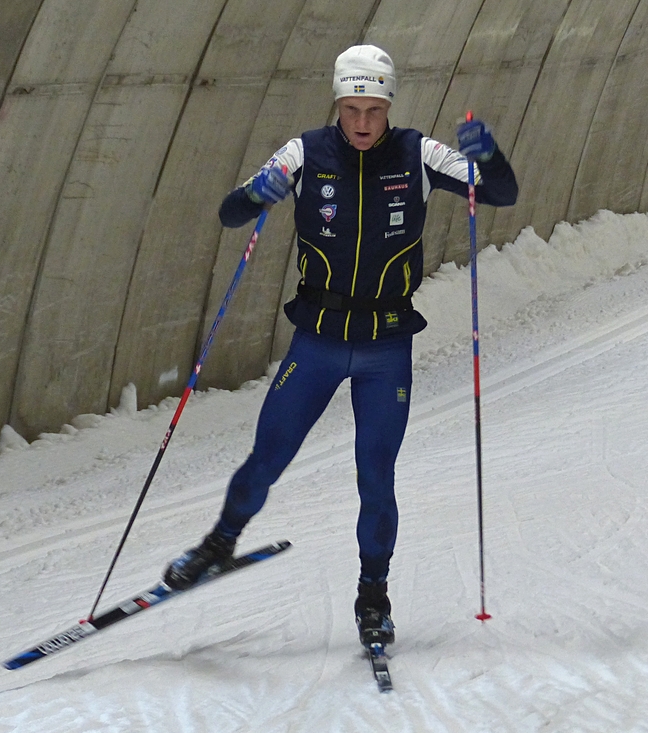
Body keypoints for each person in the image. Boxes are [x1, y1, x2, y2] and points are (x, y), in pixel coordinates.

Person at [163, 44, 518, 648]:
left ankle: (373, 595)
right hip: (319, 340)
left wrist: (490, 156)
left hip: (385, 347)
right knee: (267, 456)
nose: (362, 121)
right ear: (337, 105)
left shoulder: (419, 153)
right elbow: (229, 213)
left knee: (376, 477)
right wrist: (258, 193)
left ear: (388, 107)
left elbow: (500, 193)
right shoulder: (304, 152)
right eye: (352, 109)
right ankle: (218, 543)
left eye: (374, 109)